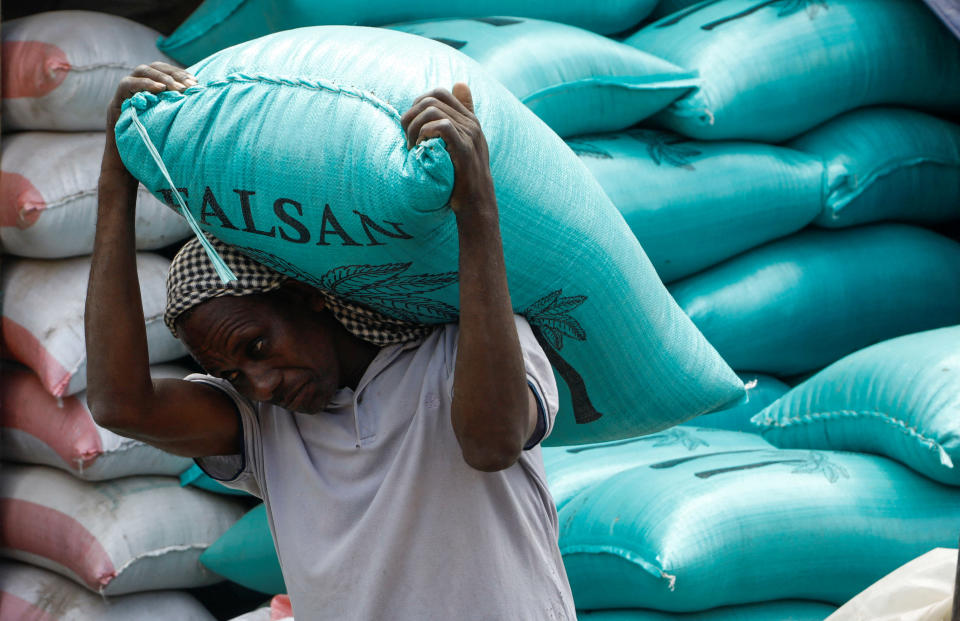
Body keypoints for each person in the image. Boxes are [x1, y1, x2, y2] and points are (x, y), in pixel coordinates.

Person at [85, 62, 576, 620]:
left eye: (257, 347)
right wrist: (117, 179)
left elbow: (492, 445)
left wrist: (477, 211)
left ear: (307, 295)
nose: (262, 385)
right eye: (235, 376)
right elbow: (120, 405)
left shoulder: (462, 349)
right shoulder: (261, 425)